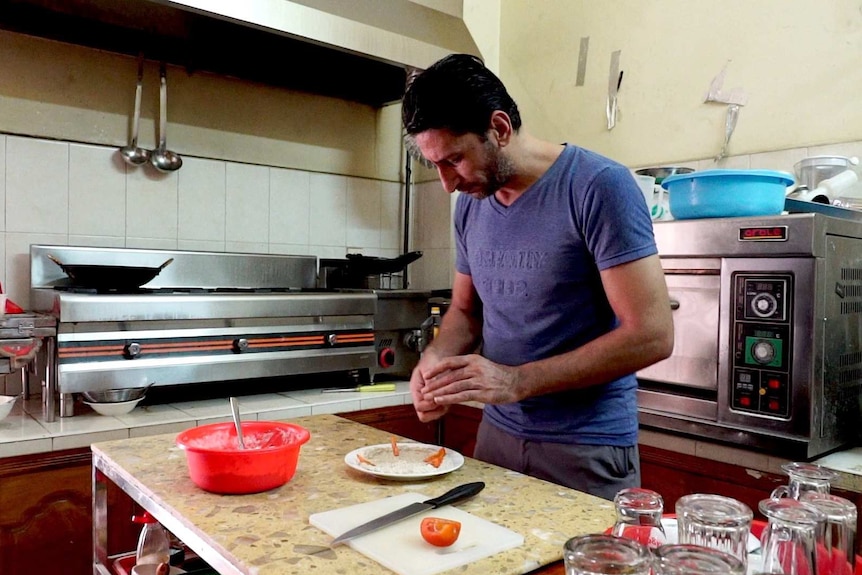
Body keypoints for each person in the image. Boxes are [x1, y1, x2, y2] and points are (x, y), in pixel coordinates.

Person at [401, 54, 674, 501]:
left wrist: (515, 382)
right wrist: (436, 363)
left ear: (500, 129)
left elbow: (653, 335)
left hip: (587, 446)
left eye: (454, 160)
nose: (447, 183)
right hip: (497, 438)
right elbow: (466, 312)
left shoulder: (599, 186)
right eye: (436, 165)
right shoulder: (472, 203)